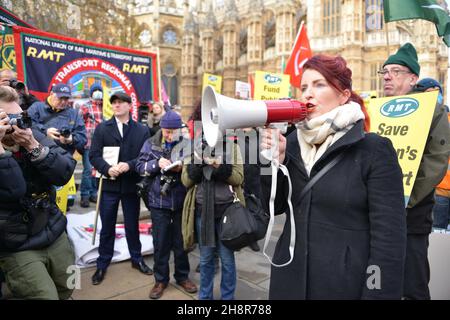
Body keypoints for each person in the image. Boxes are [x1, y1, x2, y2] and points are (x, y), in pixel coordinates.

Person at [260, 54, 407, 299]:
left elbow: (389, 241)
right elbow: (271, 206)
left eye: (319, 84)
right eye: (304, 87)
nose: (307, 93)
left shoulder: (374, 149)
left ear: (344, 94)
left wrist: (376, 293)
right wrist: (271, 162)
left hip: (342, 285)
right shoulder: (292, 142)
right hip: (290, 280)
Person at [381, 43, 450, 299]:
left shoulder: (433, 110)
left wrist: (406, 198)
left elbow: (437, 159)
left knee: (413, 283)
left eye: (396, 71)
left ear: (413, 78)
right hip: (377, 215)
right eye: (385, 71)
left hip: (413, 215)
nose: (387, 76)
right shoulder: (374, 111)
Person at [0, 86, 76, 299]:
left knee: (71, 282)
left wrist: (33, 145)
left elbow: (64, 172)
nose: (17, 124)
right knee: (45, 295)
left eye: (19, 116)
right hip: (16, 243)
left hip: (52, 228)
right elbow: (14, 189)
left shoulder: (31, 135)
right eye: (8, 119)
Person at [89, 92, 153, 285]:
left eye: (120, 103)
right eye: (114, 103)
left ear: (128, 105)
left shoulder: (141, 130)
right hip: (109, 185)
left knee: (132, 225)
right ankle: (102, 263)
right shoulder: (102, 128)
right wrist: (107, 169)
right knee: (107, 226)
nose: (116, 106)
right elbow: (94, 155)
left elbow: (146, 154)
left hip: (131, 186)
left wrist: (130, 165)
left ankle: (137, 258)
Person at [136, 110, 197, 299]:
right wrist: (156, 163)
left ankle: (182, 276)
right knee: (160, 243)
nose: (169, 134)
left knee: (181, 243)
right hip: (158, 201)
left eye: (172, 131)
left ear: (179, 130)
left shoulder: (187, 145)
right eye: (166, 130)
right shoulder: (151, 143)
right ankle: (160, 280)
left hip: (180, 201)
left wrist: (183, 168)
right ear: (161, 128)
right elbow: (139, 167)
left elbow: (195, 169)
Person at [182, 123, 245, 300]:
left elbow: (239, 177)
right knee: (205, 259)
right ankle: (204, 298)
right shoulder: (193, 147)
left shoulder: (231, 147)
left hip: (227, 214)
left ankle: (227, 299)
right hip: (203, 213)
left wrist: (219, 167)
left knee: (227, 260)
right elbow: (186, 181)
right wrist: (198, 164)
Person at [413, 78, 450, 230]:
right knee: (437, 235)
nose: (435, 98)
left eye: (437, 93)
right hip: (439, 190)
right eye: (429, 94)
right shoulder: (421, 121)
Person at [27, 83, 87, 155]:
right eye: (60, 98)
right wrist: (45, 131)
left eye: (66, 99)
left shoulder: (74, 114)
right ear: (51, 94)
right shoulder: (36, 107)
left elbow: (83, 138)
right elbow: (26, 125)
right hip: (39, 155)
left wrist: (71, 139)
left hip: (63, 158)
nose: (63, 102)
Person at [79, 83, 104, 208]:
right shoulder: (85, 106)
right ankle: (84, 195)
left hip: (101, 144)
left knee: (97, 170)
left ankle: (94, 194)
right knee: (88, 170)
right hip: (88, 143)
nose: (98, 92)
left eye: (100, 90)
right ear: (91, 93)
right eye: (96, 91)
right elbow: (79, 123)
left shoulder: (106, 107)